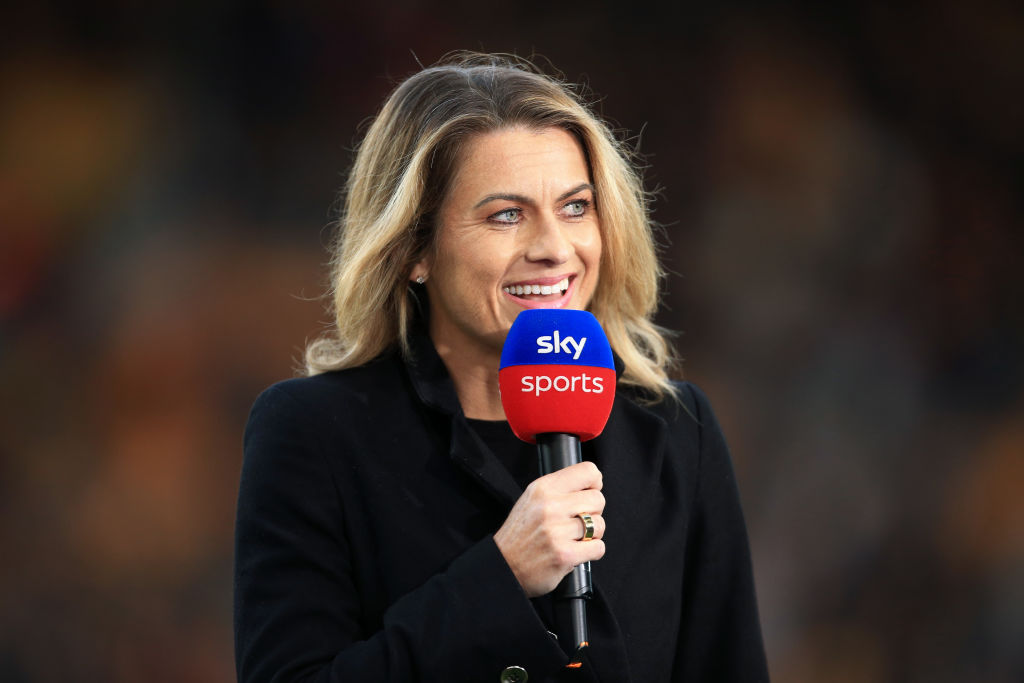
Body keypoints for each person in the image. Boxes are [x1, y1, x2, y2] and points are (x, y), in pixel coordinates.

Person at [234, 52, 769, 682]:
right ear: (413, 249)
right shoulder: (313, 434)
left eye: (576, 207)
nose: (554, 249)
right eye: (506, 216)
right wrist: (499, 578)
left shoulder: (676, 431)